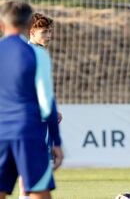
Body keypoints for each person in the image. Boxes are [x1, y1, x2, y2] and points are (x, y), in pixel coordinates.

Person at [0, 0, 63, 199]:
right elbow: (46, 102)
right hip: (28, 131)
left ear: (2, 24)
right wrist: (56, 141)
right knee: (39, 192)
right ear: (29, 26)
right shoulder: (36, 55)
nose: (49, 35)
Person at [17, 12, 63, 199]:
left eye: (50, 31)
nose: (49, 36)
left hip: (34, 115)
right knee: (32, 163)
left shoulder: (37, 53)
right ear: (31, 32)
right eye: (44, 32)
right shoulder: (30, 54)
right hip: (30, 117)